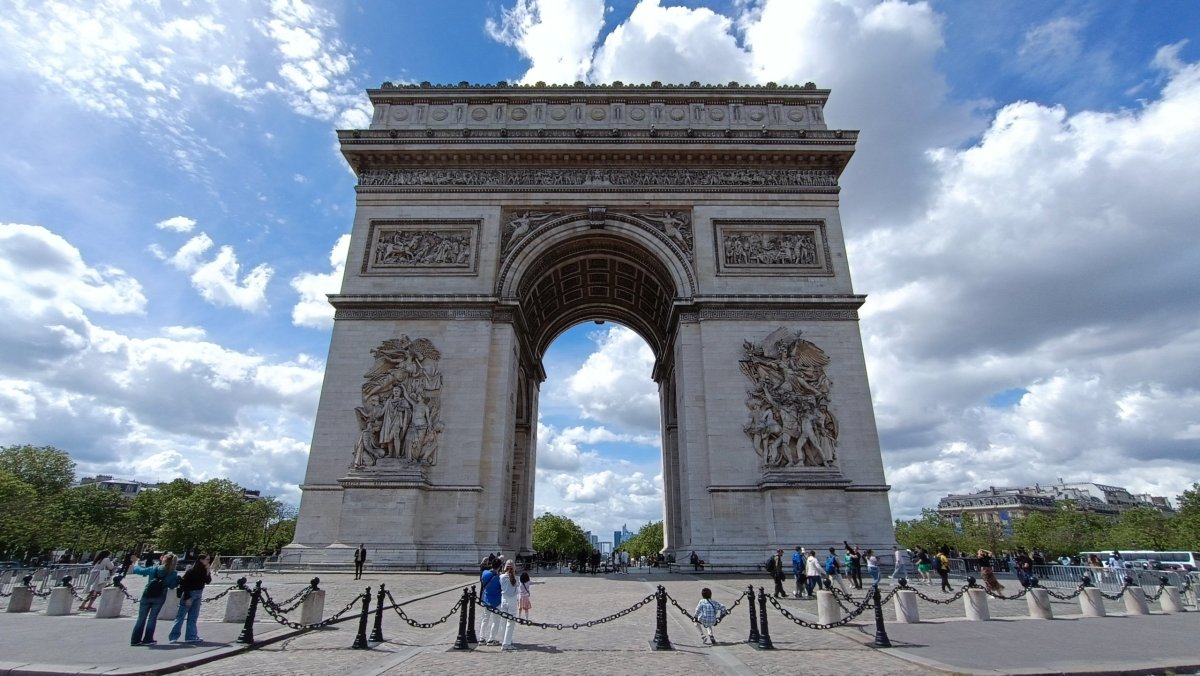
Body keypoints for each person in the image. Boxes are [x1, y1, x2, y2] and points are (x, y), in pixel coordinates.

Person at [130, 552, 181, 646]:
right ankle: (148, 639)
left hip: (147, 594)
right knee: (152, 618)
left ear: (163, 559)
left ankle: (135, 640)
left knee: (141, 618)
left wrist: (136, 563)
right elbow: (172, 586)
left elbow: (138, 570)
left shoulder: (154, 568)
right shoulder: (172, 573)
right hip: (159, 596)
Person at [168, 554, 211, 643]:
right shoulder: (191, 571)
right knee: (180, 617)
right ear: (201, 560)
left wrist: (208, 571)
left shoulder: (204, 571)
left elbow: (208, 581)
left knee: (193, 617)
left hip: (199, 593)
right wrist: (188, 597)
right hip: (190, 594)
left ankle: (191, 636)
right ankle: (173, 637)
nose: (208, 561)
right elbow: (185, 584)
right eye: (207, 559)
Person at [478, 559, 502, 646]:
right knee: (495, 621)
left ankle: (481, 638)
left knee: (485, 619)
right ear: (499, 567)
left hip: (486, 599)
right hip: (496, 601)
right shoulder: (498, 578)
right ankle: (491, 639)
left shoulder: (484, 573)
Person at [498, 560, 520, 651]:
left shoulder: (501, 577)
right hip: (512, 601)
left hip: (503, 599)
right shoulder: (516, 578)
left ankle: (505, 639)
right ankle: (506, 643)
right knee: (510, 623)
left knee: (503, 621)